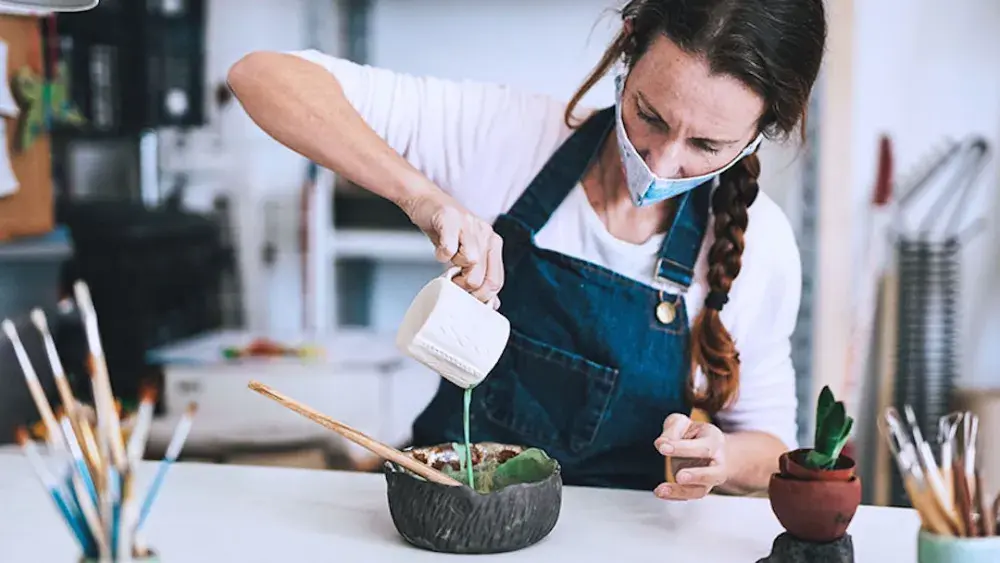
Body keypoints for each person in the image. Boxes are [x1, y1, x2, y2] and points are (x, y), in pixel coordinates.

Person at [227, 0, 827, 500]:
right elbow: (260, 75)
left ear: (759, 131)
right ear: (629, 47)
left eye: (707, 143)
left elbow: (771, 447)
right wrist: (422, 196)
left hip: (617, 538)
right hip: (442, 515)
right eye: (649, 114)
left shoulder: (760, 243)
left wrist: (721, 456)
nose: (661, 161)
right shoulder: (506, 134)